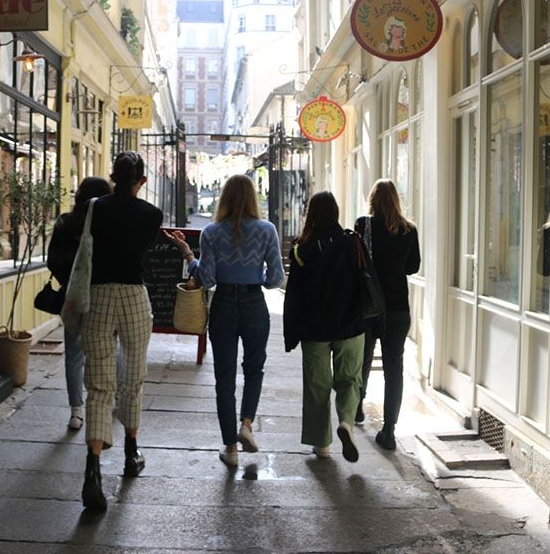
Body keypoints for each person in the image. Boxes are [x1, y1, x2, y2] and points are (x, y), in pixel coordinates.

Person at [166, 174, 284, 467]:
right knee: (254, 369)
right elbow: (276, 279)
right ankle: (246, 425)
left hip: (224, 307)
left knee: (224, 378)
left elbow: (206, 278)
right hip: (254, 304)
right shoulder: (267, 231)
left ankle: (230, 448)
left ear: (224, 198)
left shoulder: (212, 232)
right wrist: (258, 272)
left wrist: (188, 255)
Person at [80, 152, 163, 512]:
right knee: (133, 378)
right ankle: (131, 453)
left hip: (97, 297)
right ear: (141, 180)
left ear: (113, 176)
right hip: (132, 296)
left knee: (99, 386)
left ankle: (93, 470)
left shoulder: (95, 208)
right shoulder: (151, 214)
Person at [283, 191, 364, 462]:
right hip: (350, 324)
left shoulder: (302, 249)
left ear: (312, 215)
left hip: (314, 328)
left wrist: (290, 333)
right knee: (349, 379)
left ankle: (321, 444)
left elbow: (293, 295)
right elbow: (366, 282)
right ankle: (347, 423)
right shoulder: (352, 243)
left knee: (317, 386)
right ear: (337, 213)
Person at [354, 179, 420, 451]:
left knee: (364, 360)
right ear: (396, 200)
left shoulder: (363, 225)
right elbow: (413, 267)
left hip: (368, 307)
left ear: (373, 199)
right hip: (398, 310)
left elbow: (355, 263)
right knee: (395, 370)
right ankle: (389, 430)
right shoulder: (409, 230)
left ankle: (357, 408)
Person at [46, 176, 112, 431]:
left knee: (73, 353)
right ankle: (111, 400)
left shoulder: (65, 222)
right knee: (108, 347)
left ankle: (76, 411)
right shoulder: (106, 224)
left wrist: (69, 280)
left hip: (72, 296)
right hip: (102, 294)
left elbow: (53, 260)